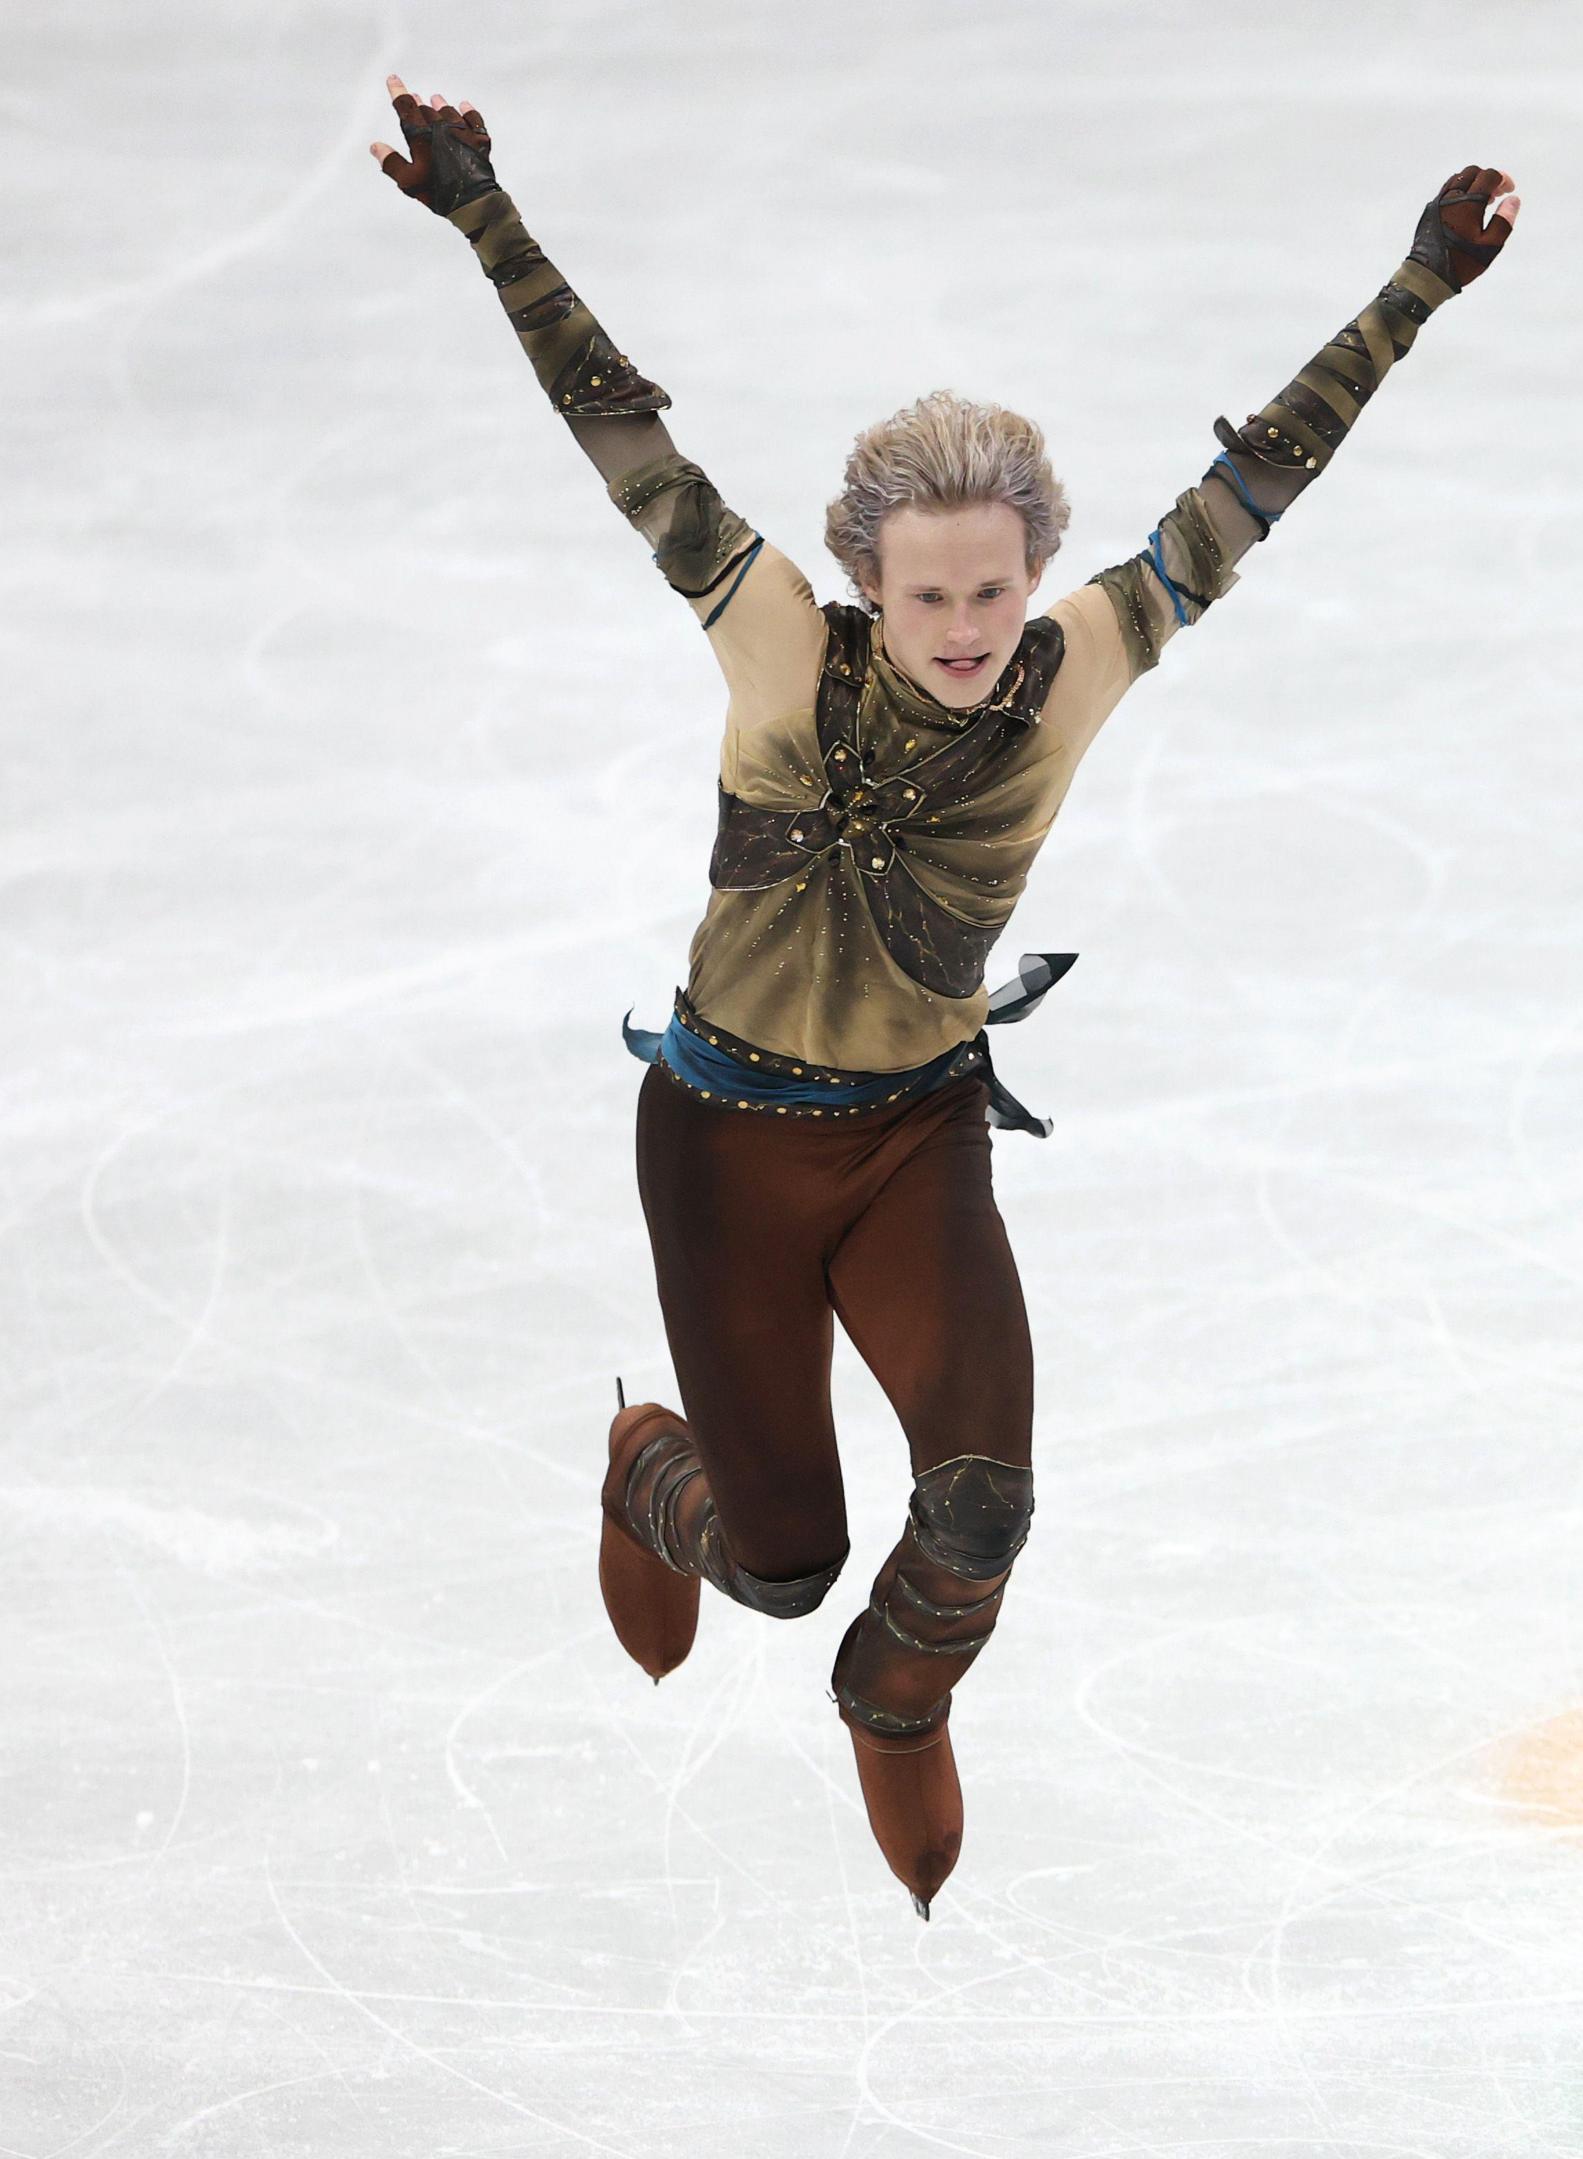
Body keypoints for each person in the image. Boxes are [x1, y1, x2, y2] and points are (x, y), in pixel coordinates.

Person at [371, 76, 1516, 1917]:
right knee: (780, 1563)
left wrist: (1422, 283)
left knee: (982, 1503)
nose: (968, 628)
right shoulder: (773, 648)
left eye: (994, 591)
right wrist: (482, 211)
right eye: (930, 599)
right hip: (727, 1146)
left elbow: (1255, 491)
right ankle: (651, 1474)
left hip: (912, 1141)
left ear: (1036, 575)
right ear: (868, 585)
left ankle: (895, 1704)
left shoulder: (1081, 669)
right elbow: (620, 435)